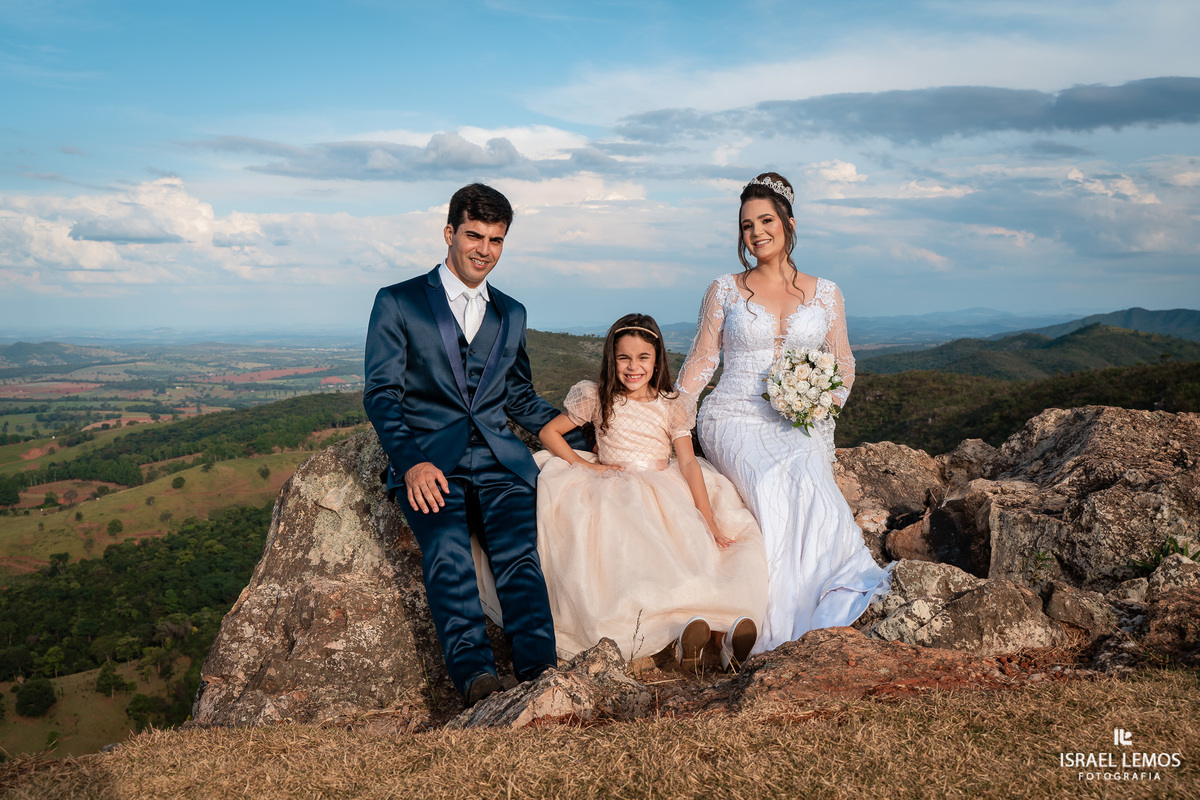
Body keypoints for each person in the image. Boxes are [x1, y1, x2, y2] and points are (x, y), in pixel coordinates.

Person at [363, 183, 569, 707]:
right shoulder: (398, 301)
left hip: (501, 461)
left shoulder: (512, 312)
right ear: (450, 232)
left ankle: (540, 671)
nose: (484, 250)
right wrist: (410, 464)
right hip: (433, 463)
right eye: (474, 235)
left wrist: (593, 429)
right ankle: (476, 679)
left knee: (520, 556)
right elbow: (382, 394)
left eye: (496, 240)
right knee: (447, 555)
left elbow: (519, 397)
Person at [676, 172, 892, 653]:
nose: (756, 233)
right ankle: (761, 623)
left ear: (789, 224)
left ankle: (815, 610)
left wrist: (819, 406)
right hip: (732, 415)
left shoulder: (826, 292)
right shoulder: (724, 290)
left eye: (766, 220)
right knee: (773, 481)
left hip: (799, 418)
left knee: (809, 476)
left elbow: (844, 364)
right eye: (746, 225)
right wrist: (673, 419)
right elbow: (702, 363)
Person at [533, 313, 767, 671]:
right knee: (643, 560)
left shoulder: (672, 405)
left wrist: (708, 518)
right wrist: (589, 467)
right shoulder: (598, 398)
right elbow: (549, 433)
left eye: (643, 357)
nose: (632, 367)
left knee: (701, 553)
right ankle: (687, 634)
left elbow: (688, 463)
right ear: (612, 360)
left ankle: (724, 639)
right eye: (623, 358)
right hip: (615, 490)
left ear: (657, 359)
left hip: (665, 487)